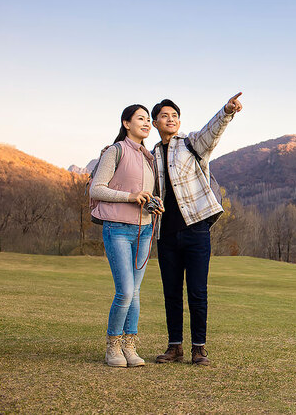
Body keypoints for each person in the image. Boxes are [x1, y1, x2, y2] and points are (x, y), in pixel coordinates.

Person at [151, 93, 243, 365]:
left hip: (196, 228)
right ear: (155, 122)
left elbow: (210, 133)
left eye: (175, 116)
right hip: (165, 233)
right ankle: (175, 346)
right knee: (171, 292)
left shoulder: (190, 143)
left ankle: (199, 348)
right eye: (165, 116)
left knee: (197, 291)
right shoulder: (150, 154)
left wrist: (226, 111)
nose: (171, 119)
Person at [90, 104, 163, 368]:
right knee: (126, 291)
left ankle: (130, 346)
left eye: (147, 120)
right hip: (117, 228)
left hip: (144, 229)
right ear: (126, 123)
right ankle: (113, 346)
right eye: (140, 119)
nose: (146, 123)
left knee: (136, 292)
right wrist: (130, 197)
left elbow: (142, 194)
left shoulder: (149, 157)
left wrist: (153, 202)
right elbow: (96, 190)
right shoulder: (116, 150)